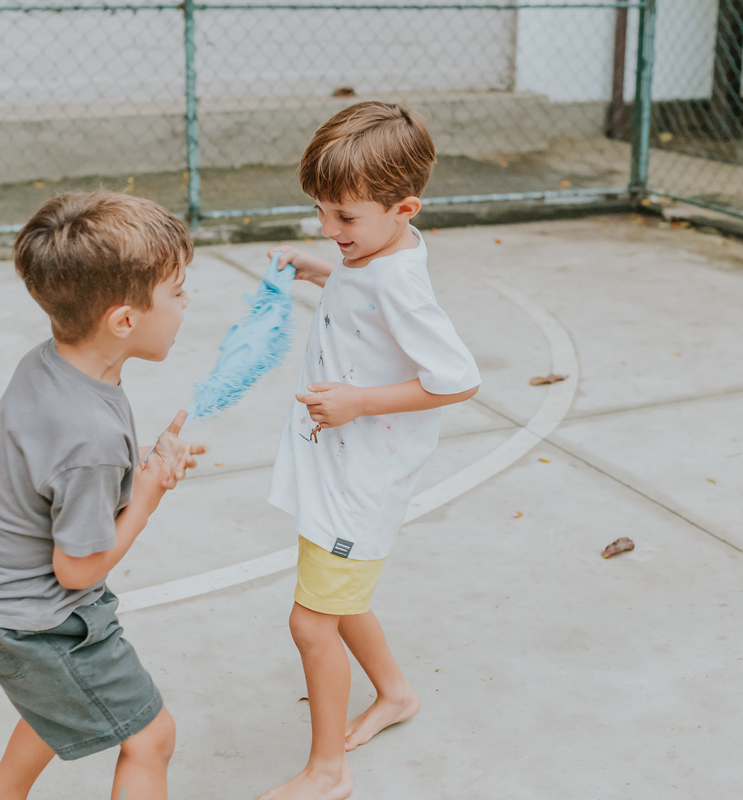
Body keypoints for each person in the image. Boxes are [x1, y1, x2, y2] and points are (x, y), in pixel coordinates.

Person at [0, 191, 205, 800]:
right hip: (38, 620)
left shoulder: (48, 364)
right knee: (151, 738)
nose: (186, 301)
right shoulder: (90, 437)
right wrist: (147, 494)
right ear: (123, 321)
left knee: (51, 707)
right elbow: (78, 567)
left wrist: (131, 475)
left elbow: (57, 482)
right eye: (176, 290)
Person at [260, 102, 482, 800]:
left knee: (310, 620)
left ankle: (328, 771)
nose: (330, 230)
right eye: (321, 213)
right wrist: (323, 268)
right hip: (338, 466)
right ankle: (395, 693)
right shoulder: (380, 250)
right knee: (340, 596)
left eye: (344, 219)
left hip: (362, 477)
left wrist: (359, 402)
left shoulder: (398, 279)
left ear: (404, 206)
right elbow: (364, 297)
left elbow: (458, 379)